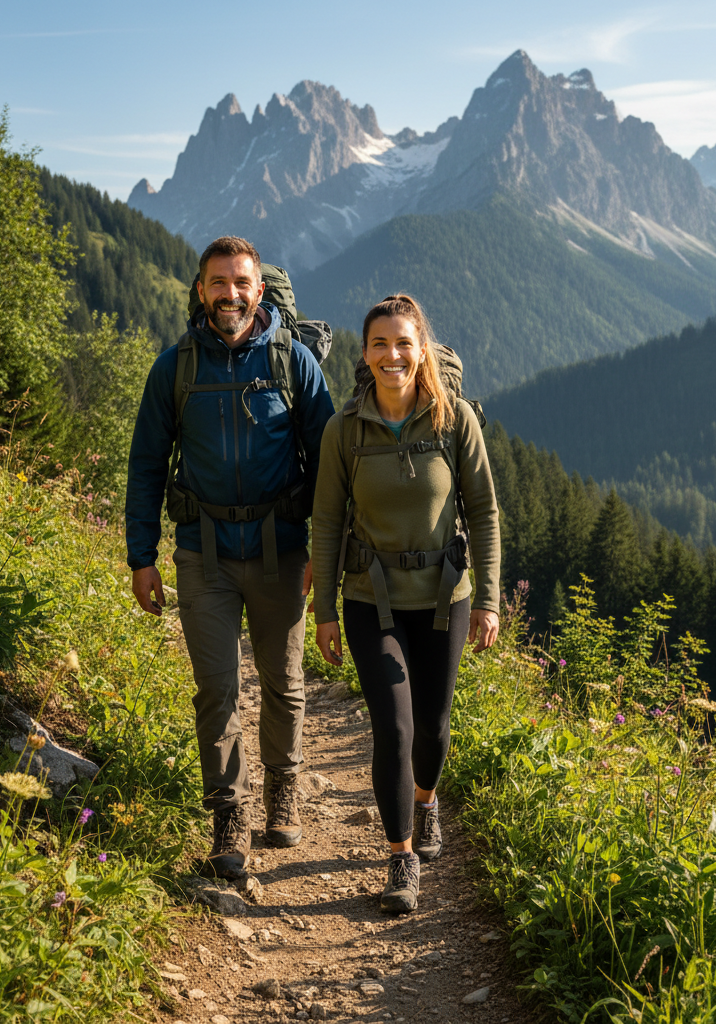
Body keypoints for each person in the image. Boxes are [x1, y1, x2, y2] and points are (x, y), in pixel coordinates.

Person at [126, 236, 335, 878]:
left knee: (283, 683)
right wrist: (142, 555)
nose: (231, 295)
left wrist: (321, 561)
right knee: (216, 689)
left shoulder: (295, 363)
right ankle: (227, 816)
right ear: (200, 291)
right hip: (202, 553)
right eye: (219, 283)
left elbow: (330, 468)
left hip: (282, 549)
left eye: (241, 283)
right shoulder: (175, 368)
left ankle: (281, 793)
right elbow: (146, 466)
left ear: (259, 290)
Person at [310, 294, 500, 913]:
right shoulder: (344, 430)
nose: (393, 355)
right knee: (393, 726)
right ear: (364, 356)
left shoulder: (454, 421)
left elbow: (486, 514)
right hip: (371, 598)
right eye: (379, 345)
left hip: (445, 599)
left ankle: (425, 801)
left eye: (403, 344)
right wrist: (327, 612)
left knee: (434, 728)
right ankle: (401, 857)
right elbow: (328, 520)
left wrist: (489, 601)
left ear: (422, 352)